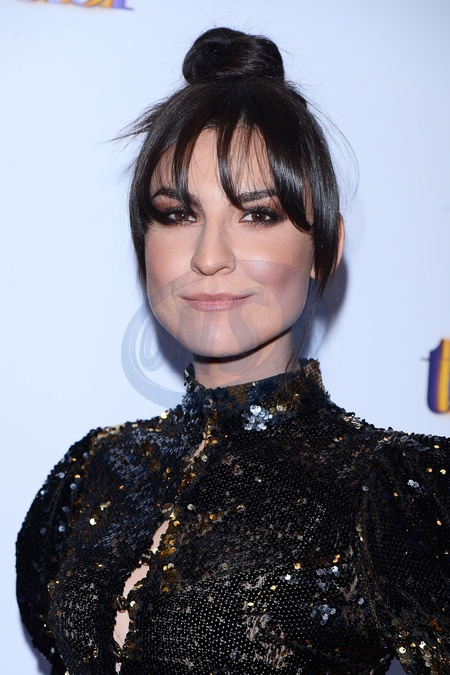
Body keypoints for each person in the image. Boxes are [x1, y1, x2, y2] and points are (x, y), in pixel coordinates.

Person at [16, 27, 449, 675]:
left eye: (257, 214)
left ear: (325, 249)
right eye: (177, 214)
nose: (209, 256)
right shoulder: (89, 473)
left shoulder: (389, 491)